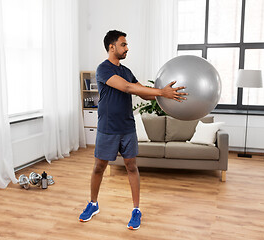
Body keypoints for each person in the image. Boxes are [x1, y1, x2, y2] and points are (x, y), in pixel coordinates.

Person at [79, 30, 188, 230]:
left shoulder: (127, 71)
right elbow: (128, 88)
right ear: (112, 47)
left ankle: (136, 210)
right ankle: (93, 204)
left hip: (127, 127)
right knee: (99, 167)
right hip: (108, 128)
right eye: (123, 44)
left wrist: (167, 92)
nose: (127, 48)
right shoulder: (103, 69)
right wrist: (161, 92)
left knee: (131, 166)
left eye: (127, 44)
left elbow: (143, 94)